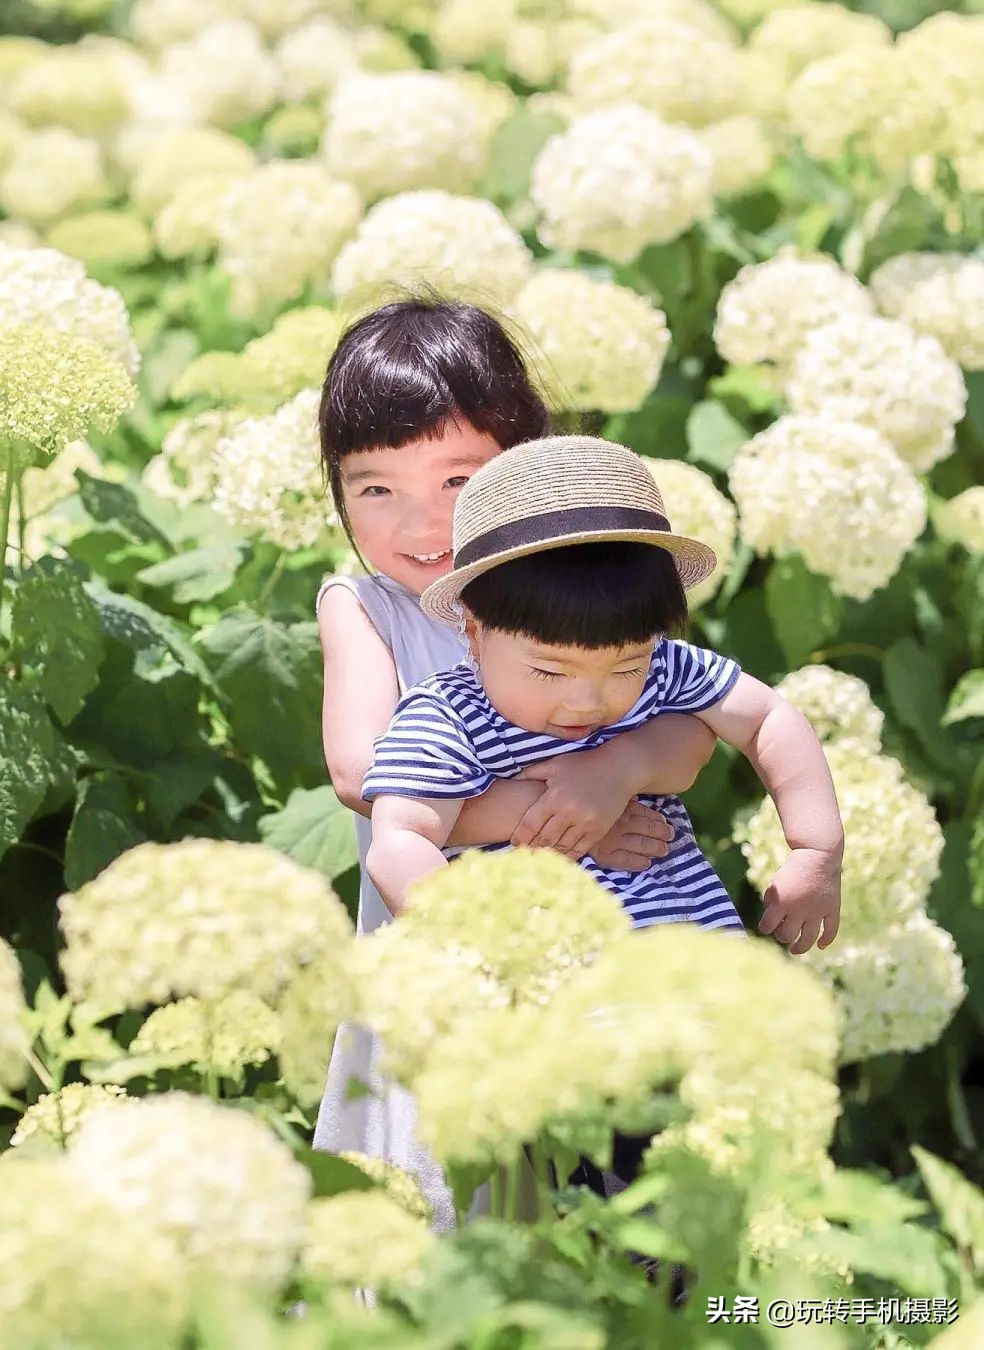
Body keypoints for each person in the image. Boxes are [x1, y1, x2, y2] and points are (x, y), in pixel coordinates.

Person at [314, 298, 720, 1232]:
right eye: (375, 489)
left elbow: (693, 727)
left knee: (609, 1201)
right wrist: (547, 809)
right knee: (448, 1193)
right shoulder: (365, 607)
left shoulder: (577, 578)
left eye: (458, 480)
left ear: (525, 467)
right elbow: (360, 770)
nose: (421, 523)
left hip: (605, 957)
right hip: (443, 951)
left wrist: (614, 772)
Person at [363, 434, 844, 958]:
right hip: (550, 994)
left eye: (625, 667)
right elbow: (399, 842)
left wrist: (816, 848)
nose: (587, 701)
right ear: (474, 634)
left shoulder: (664, 668)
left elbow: (768, 718)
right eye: (550, 672)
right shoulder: (449, 717)